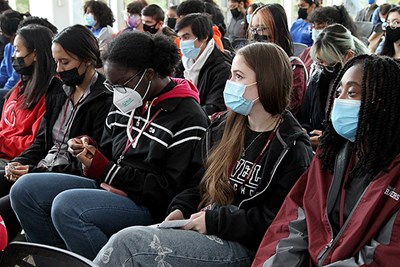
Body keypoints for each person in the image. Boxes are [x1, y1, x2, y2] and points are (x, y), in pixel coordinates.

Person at [94, 42, 313, 267]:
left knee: (129, 244)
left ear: (267, 82)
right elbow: (197, 182)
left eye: (238, 76)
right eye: (230, 75)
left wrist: (215, 221)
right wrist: (180, 209)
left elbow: (277, 220)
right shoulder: (223, 127)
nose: (230, 84)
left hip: (246, 246)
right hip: (206, 226)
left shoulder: (291, 148)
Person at [10, 31, 209, 260]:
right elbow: (107, 149)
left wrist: (106, 169)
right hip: (110, 184)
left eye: (121, 84)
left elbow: (169, 188)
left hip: (147, 203)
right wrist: (87, 147)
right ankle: (59, 263)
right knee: (25, 190)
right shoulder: (129, 100)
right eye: (111, 84)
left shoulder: (187, 116)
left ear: (150, 74)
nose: (116, 92)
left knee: (67, 206)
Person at [252, 54, 400, 267]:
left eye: (352, 93)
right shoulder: (329, 155)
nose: (340, 101)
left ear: (385, 102)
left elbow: (384, 257)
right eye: (338, 92)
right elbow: (293, 224)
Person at [0, 24, 61, 241]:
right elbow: (5, 128)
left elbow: (35, 142)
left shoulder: (50, 93)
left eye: (18, 50)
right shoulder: (19, 87)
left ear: (34, 54)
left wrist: (2, 143)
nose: (14, 55)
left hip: (16, 160)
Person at [298, 23, 369, 149]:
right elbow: (305, 117)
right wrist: (304, 130)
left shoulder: (366, 85)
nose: (324, 68)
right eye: (320, 63)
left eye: (329, 63)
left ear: (349, 56)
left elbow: (366, 129)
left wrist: (331, 139)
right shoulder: (318, 80)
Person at [248, 4, 308, 117]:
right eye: (253, 29)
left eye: (262, 29)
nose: (256, 34)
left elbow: (290, 109)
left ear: (277, 30)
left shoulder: (293, 68)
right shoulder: (248, 63)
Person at [175, 13, 231, 116]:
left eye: (186, 37)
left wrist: (181, 116)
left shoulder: (222, 69)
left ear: (204, 37)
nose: (182, 42)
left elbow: (214, 107)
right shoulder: (182, 64)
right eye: (180, 38)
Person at [299, 4, 357, 74]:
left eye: (320, 25)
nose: (315, 29)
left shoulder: (353, 62)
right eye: (313, 25)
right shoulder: (308, 52)